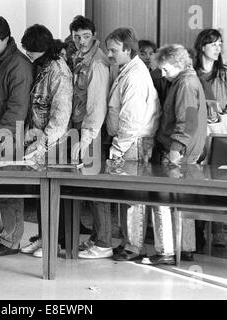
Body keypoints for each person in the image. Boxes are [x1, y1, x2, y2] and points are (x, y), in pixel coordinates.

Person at [140, 44, 207, 265]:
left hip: (178, 151)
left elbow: (187, 122)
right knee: (181, 201)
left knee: (162, 200)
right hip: (188, 150)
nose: (164, 74)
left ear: (178, 64)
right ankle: (184, 247)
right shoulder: (187, 81)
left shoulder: (185, 84)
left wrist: (175, 151)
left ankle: (166, 251)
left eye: (166, 69)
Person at [101, 28, 160, 261]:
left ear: (128, 49)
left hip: (132, 142)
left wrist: (116, 149)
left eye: (114, 50)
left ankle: (133, 247)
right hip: (130, 141)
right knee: (127, 197)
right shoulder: (128, 70)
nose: (110, 54)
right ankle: (128, 241)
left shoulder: (135, 76)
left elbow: (130, 119)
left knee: (133, 197)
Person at [0, 15, 33, 256]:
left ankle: (11, 242)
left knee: (10, 189)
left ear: (7, 39)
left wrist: (0, 132)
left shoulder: (18, 65)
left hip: (10, 133)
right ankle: (5, 236)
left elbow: (18, 107)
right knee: (1, 190)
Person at [18, 24, 73, 258]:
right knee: (42, 194)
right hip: (40, 140)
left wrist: (42, 144)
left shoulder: (59, 72)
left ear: (42, 48)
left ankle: (54, 242)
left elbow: (60, 118)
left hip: (55, 143)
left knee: (52, 195)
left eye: (31, 50)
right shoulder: (42, 66)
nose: (28, 54)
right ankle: (43, 238)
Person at [59, 15, 111, 259]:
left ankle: (103, 242)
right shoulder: (77, 56)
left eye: (86, 36)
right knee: (86, 187)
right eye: (76, 36)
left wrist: (86, 138)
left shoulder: (97, 64)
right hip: (79, 129)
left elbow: (96, 106)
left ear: (94, 35)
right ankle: (95, 239)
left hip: (91, 132)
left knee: (96, 188)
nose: (80, 41)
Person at [193, 28, 227, 250]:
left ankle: (218, 230)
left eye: (220, 44)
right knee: (196, 181)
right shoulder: (191, 74)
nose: (218, 48)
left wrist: (219, 116)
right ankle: (196, 230)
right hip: (196, 135)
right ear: (202, 46)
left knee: (218, 181)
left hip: (220, 135)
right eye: (213, 44)